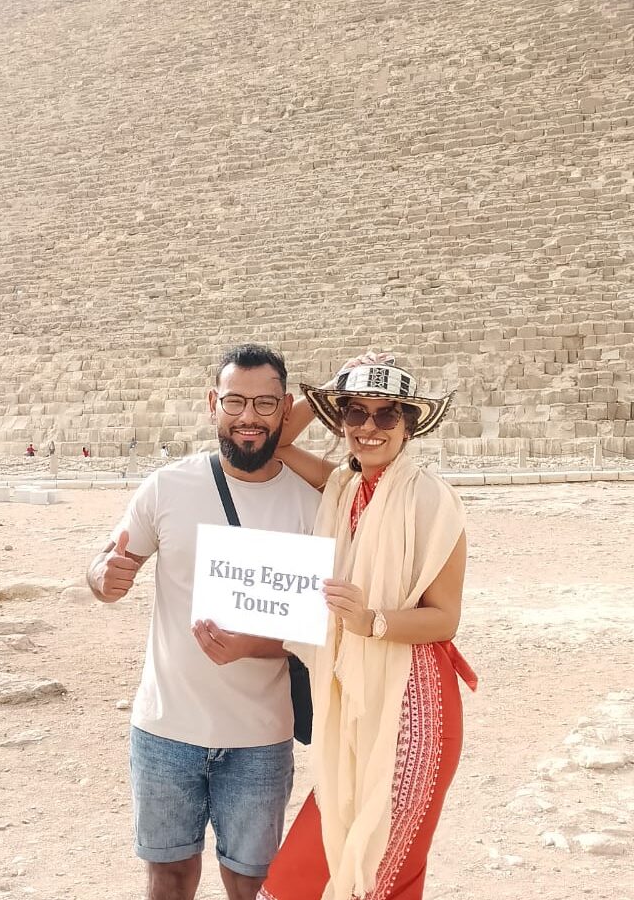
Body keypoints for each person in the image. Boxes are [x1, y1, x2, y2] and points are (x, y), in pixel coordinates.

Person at [87, 344, 321, 900]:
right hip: (166, 729)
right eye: (235, 400)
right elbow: (106, 565)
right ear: (212, 403)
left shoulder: (315, 505)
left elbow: (315, 631)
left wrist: (251, 646)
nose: (248, 417)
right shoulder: (168, 486)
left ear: (287, 409)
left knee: (252, 884)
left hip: (260, 737)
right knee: (167, 880)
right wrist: (105, 577)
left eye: (265, 403)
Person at [259, 357, 476, 900]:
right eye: (356, 414)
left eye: (386, 416)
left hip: (412, 708)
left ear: (410, 425)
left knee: (382, 870)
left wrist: (370, 621)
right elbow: (278, 442)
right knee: (305, 873)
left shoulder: (432, 500)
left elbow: (445, 618)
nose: (368, 428)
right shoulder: (341, 487)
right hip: (354, 707)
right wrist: (333, 387)